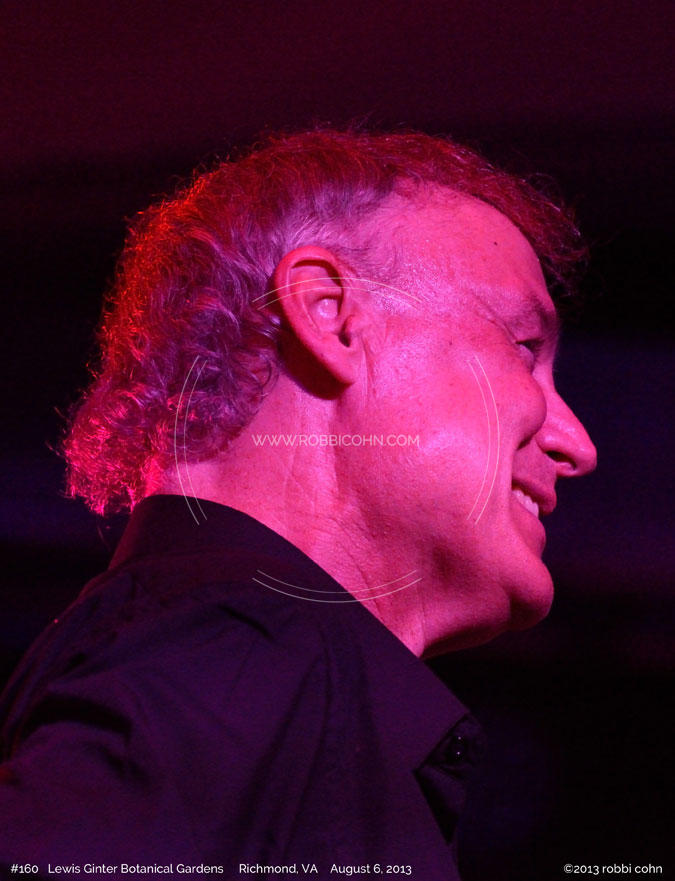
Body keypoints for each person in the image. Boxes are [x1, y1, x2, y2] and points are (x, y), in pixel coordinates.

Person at [0, 128, 596, 880]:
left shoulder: (241, 654)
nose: (577, 443)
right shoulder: (246, 648)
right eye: (522, 347)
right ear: (331, 314)